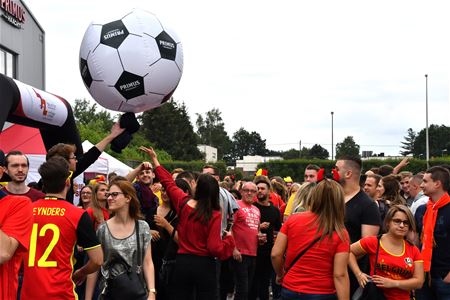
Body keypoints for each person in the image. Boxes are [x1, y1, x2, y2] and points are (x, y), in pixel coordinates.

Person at [145, 146, 235, 300]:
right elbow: (215, 248)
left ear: (197, 188)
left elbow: (169, 183)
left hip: (182, 263)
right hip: (204, 265)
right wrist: (229, 240)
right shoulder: (214, 214)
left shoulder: (183, 203)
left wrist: (155, 160)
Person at [21, 156, 103, 300]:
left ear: (44, 184)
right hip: (62, 292)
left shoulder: (26, 210)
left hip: (29, 292)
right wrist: (81, 272)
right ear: (67, 182)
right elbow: (97, 260)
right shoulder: (77, 214)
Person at [271, 179, 350, 300]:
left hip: (291, 288)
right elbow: (340, 274)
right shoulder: (340, 232)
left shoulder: (293, 220)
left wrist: (280, 274)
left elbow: (276, 254)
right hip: (323, 292)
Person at [92, 179, 156, 300]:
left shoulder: (142, 227)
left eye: (114, 194)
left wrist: (152, 292)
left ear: (128, 198)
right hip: (110, 293)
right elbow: (95, 265)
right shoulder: (102, 229)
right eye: (108, 195)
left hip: (136, 292)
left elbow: (147, 262)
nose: (109, 198)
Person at [349, 205, 424, 300]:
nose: (401, 225)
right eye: (397, 221)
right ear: (388, 222)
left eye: (406, 222)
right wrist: (358, 274)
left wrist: (393, 283)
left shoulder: (413, 250)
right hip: (376, 296)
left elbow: (419, 282)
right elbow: (348, 252)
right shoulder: (374, 242)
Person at [46, 121, 125, 204]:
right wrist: (111, 136)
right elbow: (89, 157)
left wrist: (111, 136)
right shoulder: (45, 184)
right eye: (74, 158)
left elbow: (90, 157)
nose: (76, 161)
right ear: (64, 162)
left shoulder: (64, 177)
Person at [335, 156, 380, 296]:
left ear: (348, 174)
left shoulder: (368, 205)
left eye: (337, 169)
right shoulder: (333, 198)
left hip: (351, 275)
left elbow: (366, 245)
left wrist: (341, 259)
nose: (333, 172)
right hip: (325, 271)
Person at [0, 150, 33, 300]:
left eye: (23, 165)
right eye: (15, 165)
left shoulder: (19, 204)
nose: (20, 170)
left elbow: (3, 253)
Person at [415, 166, 450, 300]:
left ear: (437, 184)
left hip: (445, 278)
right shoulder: (422, 210)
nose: (421, 185)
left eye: (425, 181)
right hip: (423, 275)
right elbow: (416, 240)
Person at [250, 175, 282, 300]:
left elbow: (278, 230)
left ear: (269, 191)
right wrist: (258, 226)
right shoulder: (252, 208)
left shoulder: (274, 210)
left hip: (268, 252)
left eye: (263, 188)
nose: (260, 191)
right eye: (257, 188)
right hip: (253, 251)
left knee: (265, 283)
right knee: (253, 283)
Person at [231, 181, 261, 300]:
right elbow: (229, 228)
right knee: (242, 289)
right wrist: (233, 248)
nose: (249, 193)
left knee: (247, 288)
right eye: (246, 190)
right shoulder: (236, 205)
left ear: (256, 194)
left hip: (253, 253)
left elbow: (256, 229)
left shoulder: (256, 209)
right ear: (241, 192)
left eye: (253, 191)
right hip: (240, 253)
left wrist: (260, 236)